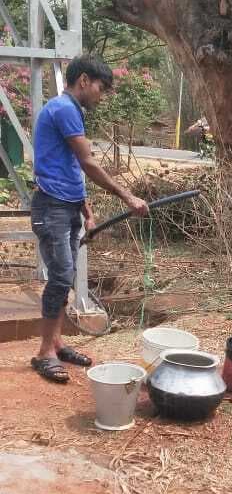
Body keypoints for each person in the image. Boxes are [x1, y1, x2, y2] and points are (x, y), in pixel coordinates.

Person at [30, 54, 148, 384]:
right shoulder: (65, 109)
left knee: (63, 277)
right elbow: (87, 163)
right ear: (83, 80)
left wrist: (85, 206)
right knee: (61, 275)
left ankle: (56, 343)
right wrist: (128, 195)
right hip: (51, 208)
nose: (102, 94)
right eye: (102, 87)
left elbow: (66, 166)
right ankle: (44, 352)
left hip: (65, 207)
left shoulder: (69, 111)